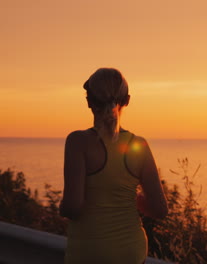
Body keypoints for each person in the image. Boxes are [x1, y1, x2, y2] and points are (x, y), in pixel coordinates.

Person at [60, 68, 168, 264]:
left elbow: (72, 208)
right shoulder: (139, 145)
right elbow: (160, 210)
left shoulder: (77, 142)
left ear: (89, 101)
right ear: (127, 101)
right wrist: (127, 195)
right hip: (131, 252)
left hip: (89, 253)